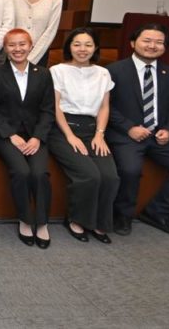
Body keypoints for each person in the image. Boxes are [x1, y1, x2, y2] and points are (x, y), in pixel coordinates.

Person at [106, 23, 169, 238]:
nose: (152, 46)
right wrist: (128, 127)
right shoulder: (114, 71)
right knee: (130, 170)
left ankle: (157, 213)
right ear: (133, 43)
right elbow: (105, 106)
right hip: (126, 135)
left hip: (160, 135)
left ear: (165, 47)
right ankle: (122, 215)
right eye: (147, 41)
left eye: (159, 42)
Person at [48, 28, 119, 244]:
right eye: (77, 44)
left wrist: (100, 134)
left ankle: (99, 222)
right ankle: (76, 219)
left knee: (110, 177)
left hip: (93, 129)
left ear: (95, 47)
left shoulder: (103, 73)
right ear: (69, 47)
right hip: (63, 129)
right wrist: (70, 136)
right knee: (89, 175)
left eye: (88, 45)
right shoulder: (57, 71)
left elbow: (105, 107)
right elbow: (56, 107)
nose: (82, 49)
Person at [0, 29, 55, 248]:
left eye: (22, 44)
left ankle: (42, 222)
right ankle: (25, 220)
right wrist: (11, 135)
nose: (17, 49)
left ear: (30, 46)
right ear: (5, 48)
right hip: (6, 134)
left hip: (35, 135)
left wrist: (37, 137)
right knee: (21, 171)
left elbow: (48, 110)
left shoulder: (43, 74)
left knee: (40, 173)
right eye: (12, 45)